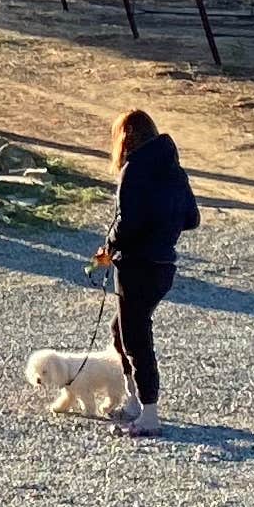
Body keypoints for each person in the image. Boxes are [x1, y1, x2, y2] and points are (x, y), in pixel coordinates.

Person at [91, 106, 199, 434]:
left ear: (125, 139)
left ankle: (148, 413)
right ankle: (135, 402)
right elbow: (192, 218)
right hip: (163, 266)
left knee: (136, 338)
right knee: (121, 330)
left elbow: (127, 222)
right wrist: (163, 229)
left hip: (136, 265)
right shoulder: (174, 171)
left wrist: (109, 246)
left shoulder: (133, 169)